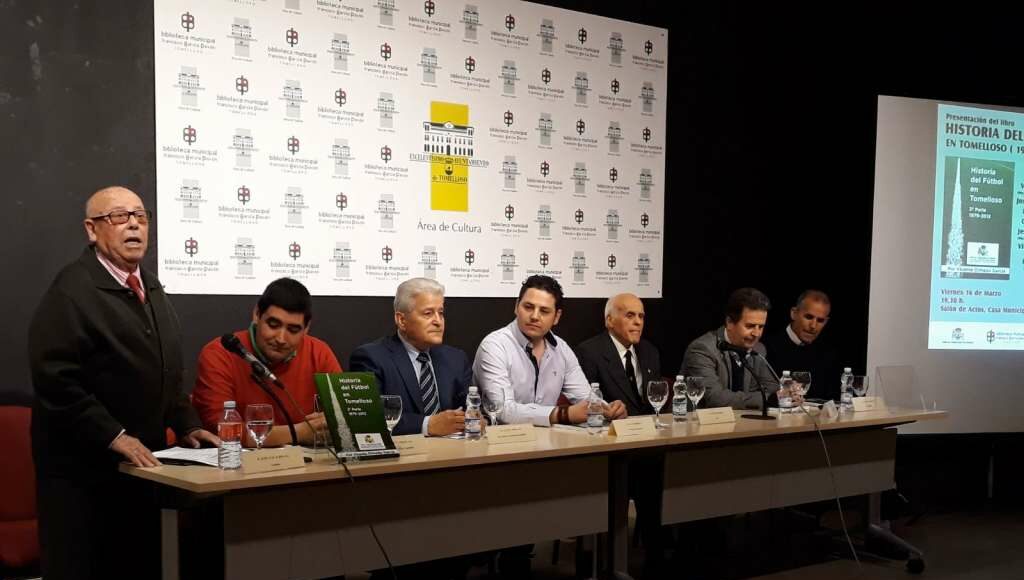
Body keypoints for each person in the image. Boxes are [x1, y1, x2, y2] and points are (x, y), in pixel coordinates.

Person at [28, 186, 219, 579]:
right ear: (92, 229)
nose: (133, 224)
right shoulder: (72, 290)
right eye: (118, 216)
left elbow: (166, 371)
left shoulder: (149, 286)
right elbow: (55, 378)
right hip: (84, 478)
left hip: (140, 472)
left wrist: (188, 424)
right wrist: (114, 435)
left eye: (140, 216)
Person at [192, 277, 342, 447]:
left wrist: (331, 422)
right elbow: (223, 431)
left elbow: (345, 417)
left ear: (306, 328)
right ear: (257, 315)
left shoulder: (319, 353)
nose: (281, 339)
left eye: (293, 330)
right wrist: (302, 432)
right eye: (273, 325)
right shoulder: (220, 353)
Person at [474, 275, 627, 426]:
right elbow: (502, 411)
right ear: (516, 307)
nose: (534, 316)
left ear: (556, 317)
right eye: (528, 307)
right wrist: (562, 414)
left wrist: (607, 409)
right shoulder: (494, 345)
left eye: (544, 311)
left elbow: (586, 399)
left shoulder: (562, 349)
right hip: (501, 439)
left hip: (547, 440)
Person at [349, 278, 471, 436]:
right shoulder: (371, 358)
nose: (438, 321)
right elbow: (368, 418)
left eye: (440, 313)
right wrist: (427, 425)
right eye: (428, 313)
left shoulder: (456, 359)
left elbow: (470, 408)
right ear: (402, 320)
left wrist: (474, 419)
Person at [681, 287, 782, 409]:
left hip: (742, 419)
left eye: (761, 327)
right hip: (698, 419)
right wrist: (769, 399)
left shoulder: (758, 349)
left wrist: (787, 394)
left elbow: (772, 389)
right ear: (729, 322)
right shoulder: (702, 349)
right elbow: (715, 398)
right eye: (750, 326)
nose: (757, 334)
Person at [576, 293, 663, 416]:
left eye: (641, 316)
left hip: (648, 424)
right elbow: (586, 403)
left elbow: (656, 398)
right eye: (630, 315)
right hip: (611, 425)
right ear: (610, 320)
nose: (638, 322)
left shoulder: (650, 351)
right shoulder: (589, 353)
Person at [762, 290, 839, 400]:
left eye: (820, 320)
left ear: (826, 322)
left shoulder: (827, 353)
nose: (813, 326)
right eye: (808, 317)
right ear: (794, 313)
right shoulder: (766, 347)